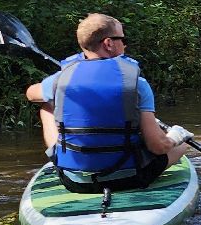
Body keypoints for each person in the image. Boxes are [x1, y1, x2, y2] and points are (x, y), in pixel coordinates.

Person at [24, 13, 190, 192]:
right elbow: (157, 147)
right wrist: (175, 137)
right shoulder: (136, 83)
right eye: (122, 39)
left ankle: (61, 155)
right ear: (109, 43)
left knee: (46, 106)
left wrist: (58, 85)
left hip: (75, 181)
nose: (125, 44)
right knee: (183, 144)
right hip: (130, 177)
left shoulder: (61, 79)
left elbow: (31, 94)